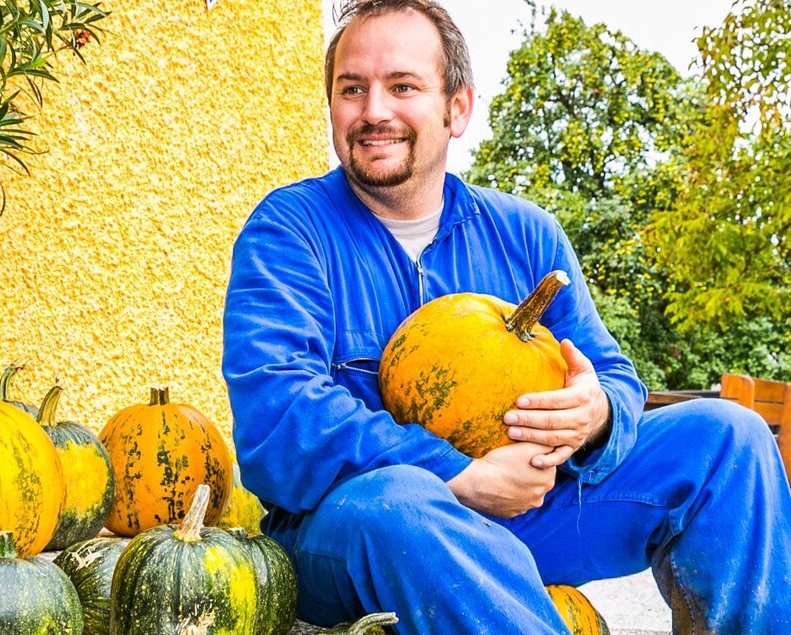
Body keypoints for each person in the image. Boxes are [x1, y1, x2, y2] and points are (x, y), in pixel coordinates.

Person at [220, 0, 791, 632]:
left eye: (402, 86)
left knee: (728, 438)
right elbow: (279, 423)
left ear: (457, 107)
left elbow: (612, 375)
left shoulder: (526, 233)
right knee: (401, 503)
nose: (374, 111)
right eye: (352, 89)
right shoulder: (287, 232)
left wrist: (596, 413)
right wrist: (458, 477)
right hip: (351, 533)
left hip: (528, 513)